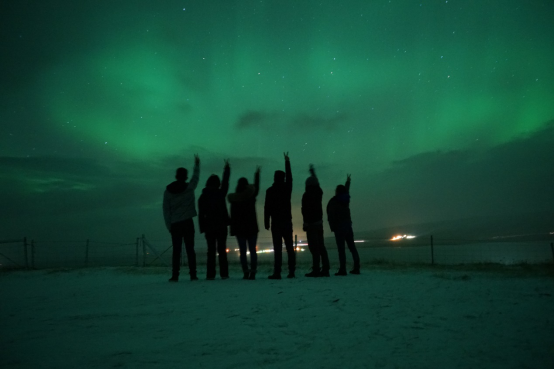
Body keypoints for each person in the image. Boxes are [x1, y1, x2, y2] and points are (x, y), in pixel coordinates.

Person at [163, 154, 200, 282]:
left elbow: (166, 210)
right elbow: (196, 178)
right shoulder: (189, 188)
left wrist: (169, 226)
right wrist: (197, 164)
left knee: (176, 251)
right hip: (188, 222)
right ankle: (193, 274)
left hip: (175, 224)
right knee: (190, 249)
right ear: (185, 177)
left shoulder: (168, 191)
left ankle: (175, 275)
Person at [198, 159, 231, 280]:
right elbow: (226, 182)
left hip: (209, 227)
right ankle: (224, 274)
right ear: (217, 183)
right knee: (222, 251)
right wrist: (227, 169)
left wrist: (202, 228)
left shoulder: (203, 196)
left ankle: (210, 274)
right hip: (221, 226)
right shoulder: (220, 193)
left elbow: (201, 214)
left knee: (210, 251)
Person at [265, 152, 296, 279]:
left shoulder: (270, 191)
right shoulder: (287, 188)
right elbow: (290, 178)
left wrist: (266, 222)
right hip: (287, 221)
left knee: (277, 249)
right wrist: (287, 162)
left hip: (276, 222)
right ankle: (291, 271)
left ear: (274, 178)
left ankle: (277, 272)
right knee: (289, 247)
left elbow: (267, 207)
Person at [228, 167, 261, 280]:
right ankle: (253, 272)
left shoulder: (234, 199)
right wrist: (257, 174)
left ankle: (245, 272)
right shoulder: (251, 196)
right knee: (253, 251)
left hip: (240, 229)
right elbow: (256, 188)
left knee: (243, 252)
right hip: (252, 227)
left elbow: (232, 216)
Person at [326, 174, 360, 276]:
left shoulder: (334, 201)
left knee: (341, 249)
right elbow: (347, 191)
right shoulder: (345, 200)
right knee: (352, 247)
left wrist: (333, 226)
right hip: (348, 226)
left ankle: (342, 269)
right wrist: (348, 182)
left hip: (339, 227)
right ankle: (357, 267)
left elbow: (331, 215)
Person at [302, 164, 330, 277]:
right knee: (321, 246)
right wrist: (313, 173)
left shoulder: (306, 195)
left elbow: (304, 211)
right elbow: (317, 183)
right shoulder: (319, 193)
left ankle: (316, 269)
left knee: (314, 247)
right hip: (319, 223)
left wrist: (305, 223)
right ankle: (325, 268)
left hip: (311, 224)